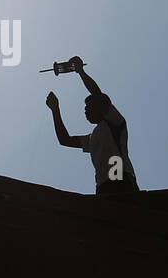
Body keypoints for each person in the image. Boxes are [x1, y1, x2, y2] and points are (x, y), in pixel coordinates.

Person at [45, 56, 139, 195]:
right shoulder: (92, 138)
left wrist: (80, 71)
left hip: (120, 179)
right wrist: (55, 110)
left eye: (89, 107)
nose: (85, 111)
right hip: (102, 185)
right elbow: (64, 140)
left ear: (100, 108)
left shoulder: (115, 123)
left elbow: (97, 94)